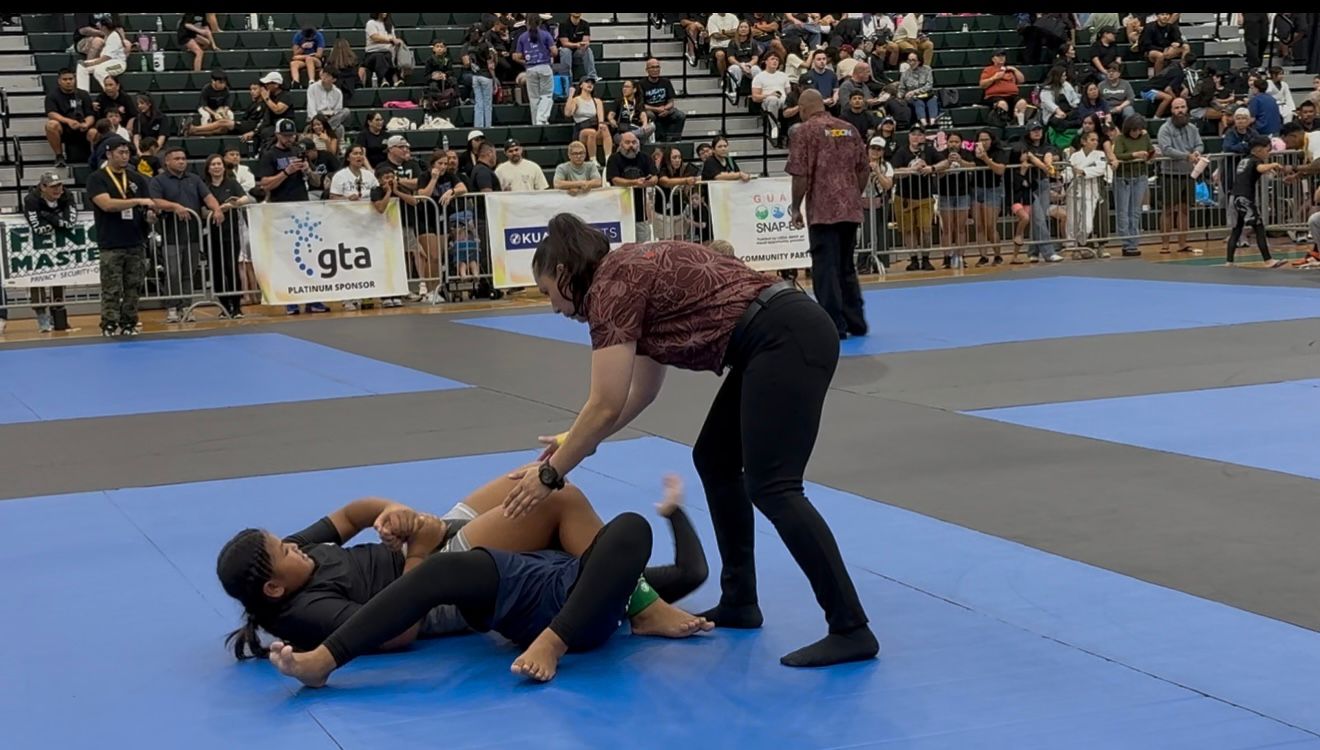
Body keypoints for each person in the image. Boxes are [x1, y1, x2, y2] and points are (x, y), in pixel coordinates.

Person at [507, 210, 880, 668]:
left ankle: (851, 627)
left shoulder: (610, 287)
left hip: (784, 336)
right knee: (716, 458)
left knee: (775, 486)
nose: (554, 308)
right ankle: (740, 600)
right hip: (778, 333)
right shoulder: (623, 272)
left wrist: (551, 473)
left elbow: (604, 404)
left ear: (564, 273)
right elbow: (638, 394)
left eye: (548, 293)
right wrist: (573, 441)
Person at [222, 475, 711, 685]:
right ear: (273, 588)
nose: (293, 546)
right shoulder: (302, 608)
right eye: (283, 551)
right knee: (557, 496)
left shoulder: (295, 554)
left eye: (285, 541)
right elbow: (399, 630)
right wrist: (418, 548)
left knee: (538, 476)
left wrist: (395, 516)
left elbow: (355, 512)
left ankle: (638, 602)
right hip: (435, 575)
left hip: (437, 549)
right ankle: (641, 606)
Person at [787, 88, 869, 337]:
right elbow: (864, 168)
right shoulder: (848, 128)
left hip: (823, 211)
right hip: (849, 209)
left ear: (802, 109)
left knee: (825, 268)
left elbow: (800, 174)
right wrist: (853, 194)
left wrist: (795, 207)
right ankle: (856, 321)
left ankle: (834, 324)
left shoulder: (804, 132)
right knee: (846, 266)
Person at [86, 137, 154, 337]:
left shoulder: (137, 178)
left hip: (135, 239)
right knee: (111, 287)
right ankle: (108, 323)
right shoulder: (97, 178)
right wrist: (136, 201)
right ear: (109, 154)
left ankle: (129, 322)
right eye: (120, 153)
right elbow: (106, 204)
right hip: (111, 242)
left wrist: (150, 214)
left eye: (127, 153)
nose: (125, 156)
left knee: (134, 286)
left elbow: (146, 205)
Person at [149, 147, 224, 323]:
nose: (181, 161)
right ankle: (172, 307)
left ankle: (187, 306)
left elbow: (208, 197)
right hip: (170, 235)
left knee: (188, 273)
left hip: (192, 235)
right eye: (177, 159)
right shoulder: (158, 181)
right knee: (173, 272)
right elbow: (155, 201)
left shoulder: (194, 179)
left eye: (183, 158)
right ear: (167, 161)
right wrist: (174, 206)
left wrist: (217, 208)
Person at [22, 172, 77, 332]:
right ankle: (42, 317)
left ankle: (58, 316)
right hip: (36, 247)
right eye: (53, 187)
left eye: (59, 185)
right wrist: (55, 220)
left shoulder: (67, 195)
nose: (58, 189)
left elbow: (69, 223)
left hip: (59, 246)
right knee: (37, 279)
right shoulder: (31, 199)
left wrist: (49, 217)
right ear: (43, 187)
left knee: (59, 276)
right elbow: (38, 227)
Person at [202, 154, 252, 319]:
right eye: (213, 164)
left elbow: (245, 198)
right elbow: (201, 209)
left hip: (231, 233)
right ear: (208, 168)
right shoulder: (204, 186)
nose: (216, 167)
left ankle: (236, 306)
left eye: (219, 164)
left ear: (224, 167)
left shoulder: (231, 183)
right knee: (216, 271)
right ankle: (223, 306)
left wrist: (232, 204)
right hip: (212, 234)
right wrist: (215, 212)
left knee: (232, 269)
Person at [1227, 136, 1287, 268]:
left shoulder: (1245, 160)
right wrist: (1274, 165)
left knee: (1236, 229)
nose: (1268, 153)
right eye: (1267, 150)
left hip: (1234, 197)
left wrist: (1269, 170)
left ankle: (1229, 261)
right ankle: (1268, 260)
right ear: (1259, 150)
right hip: (1244, 199)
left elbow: (1255, 171)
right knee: (1259, 227)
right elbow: (1259, 168)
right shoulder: (1255, 161)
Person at [44, 68, 94, 168]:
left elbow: (90, 115)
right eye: (65, 79)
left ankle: (95, 157)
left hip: (82, 127)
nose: (68, 82)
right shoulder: (52, 96)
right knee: (51, 125)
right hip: (64, 129)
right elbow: (51, 114)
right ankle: (59, 156)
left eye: (71, 79)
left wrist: (86, 124)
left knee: (94, 132)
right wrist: (68, 121)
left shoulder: (83, 94)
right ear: (59, 81)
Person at [514, 15, 557, 126]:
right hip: (544, 67)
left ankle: (535, 122)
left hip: (530, 69)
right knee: (546, 95)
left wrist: (528, 61)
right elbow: (555, 51)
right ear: (540, 23)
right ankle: (541, 119)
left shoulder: (522, 37)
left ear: (526, 23)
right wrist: (548, 55)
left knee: (533, 98)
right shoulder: (546, 34)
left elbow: (518, 56)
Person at [75, 15, 127, 92]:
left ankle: (111, 93)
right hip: (106, 62)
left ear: (104, 27)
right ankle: (84, 95)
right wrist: (88, 64)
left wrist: (91, 63)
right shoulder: (107, 35)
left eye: (100, 26)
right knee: (82, 66)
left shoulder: (114, 36)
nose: (98, 27)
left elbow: (107, 57)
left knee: (99, 71)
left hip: (118, 64)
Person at [557, 12, 599, 79]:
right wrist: (577, 44)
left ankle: (592, 76)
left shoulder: (585, 24)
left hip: (577, 52)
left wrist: (585, 44)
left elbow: (586, 41)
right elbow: (564, 43)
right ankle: (567, 77)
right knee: (566, 51)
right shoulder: (563, 24)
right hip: (565, 52)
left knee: (587, 50)